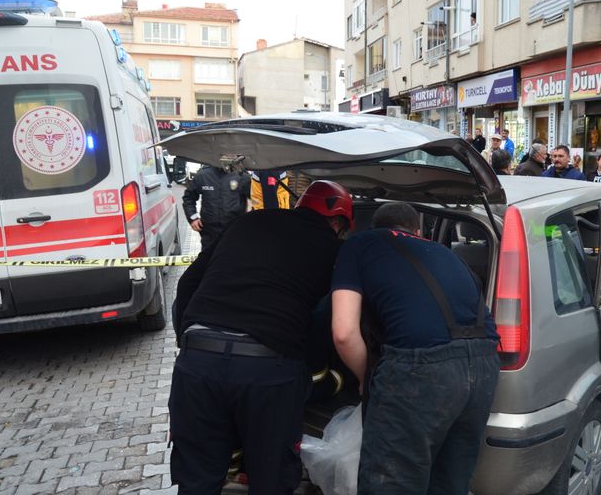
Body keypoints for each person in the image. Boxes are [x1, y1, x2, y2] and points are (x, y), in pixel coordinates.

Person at [169, 180, 353, 494]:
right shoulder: (334, 250)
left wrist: (187, 343)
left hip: (197, 363)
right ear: (336, 222)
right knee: (272, 481)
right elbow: (331, 318)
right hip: (268, 370)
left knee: (196, 480)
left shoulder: (247, 222)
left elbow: (186, 286)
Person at [331, 202, 500, 494]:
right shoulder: (449, 254)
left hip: (419, 373)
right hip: (485, 367)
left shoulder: (360, 244)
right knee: (450, 483)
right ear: (418, 231)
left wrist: (365, 379)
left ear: (375, 228)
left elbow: (344, 332)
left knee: (393, 483)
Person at [183, 165, 251, 251]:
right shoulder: (203, 175)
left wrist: (249, 222)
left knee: (234, 261)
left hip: (235, 231)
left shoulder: (241, 176)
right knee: (209, 261)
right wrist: (193, 218)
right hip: (209, 232)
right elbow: (188, 198)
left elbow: (256, 199)